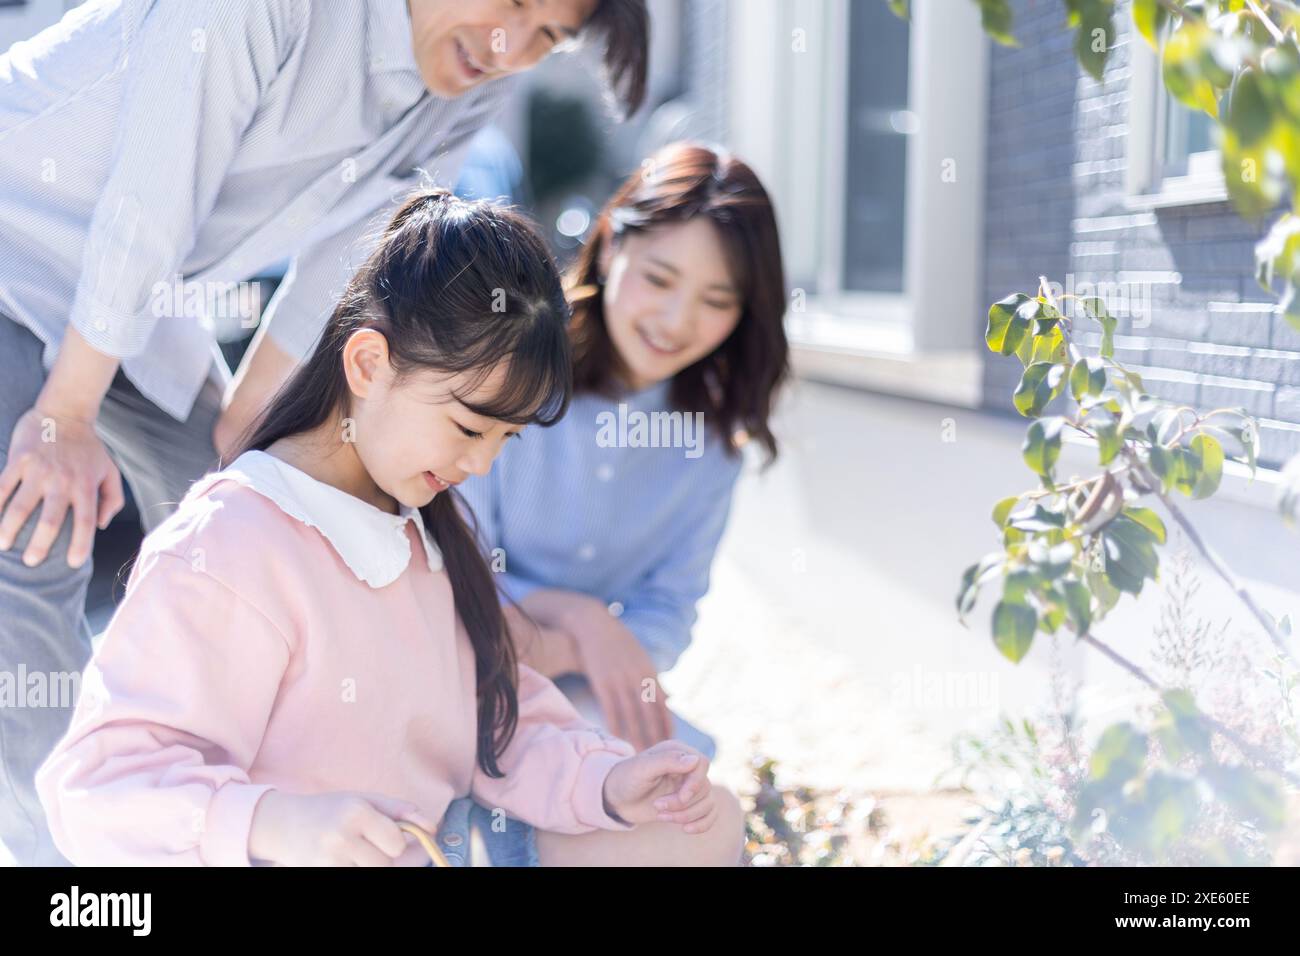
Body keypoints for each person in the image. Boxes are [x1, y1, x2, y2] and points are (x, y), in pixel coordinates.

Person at [0, 0, 649, 865]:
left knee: (240, 510)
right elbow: (147, 205)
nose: (512, 47)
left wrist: (256, 443)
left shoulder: (467, 81)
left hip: (142, 310)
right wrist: (64, 417)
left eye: (547, 39)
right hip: (19, 252)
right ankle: (56, 856)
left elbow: (344, 275)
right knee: (41, 522)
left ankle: (194, 792)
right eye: (516, 3)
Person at [35, 190, 745, 867]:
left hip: (449, 842)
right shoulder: (229, 544)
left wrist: (605, 786)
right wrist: (274, 822)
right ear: (369, 364)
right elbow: (97, 791)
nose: (479, 462)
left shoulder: (428, 529)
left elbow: (502, 713)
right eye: (469, 425)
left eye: (506, 439)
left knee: (702, 822)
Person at [459, 142, 790, 758]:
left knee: (687, 792)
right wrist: (584, 619)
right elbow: (453, 561)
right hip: (447, 666)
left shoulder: (712, 447)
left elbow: (668, 611)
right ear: (611, 246)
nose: (675, 320)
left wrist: (570, 646)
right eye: (659, 279)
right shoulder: (504, 373)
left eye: (717, 301)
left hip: (574, 689)